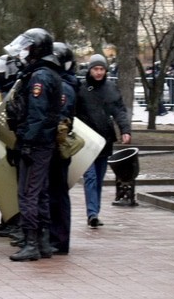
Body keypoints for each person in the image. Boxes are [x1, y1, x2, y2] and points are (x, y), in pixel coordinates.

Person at [4, 28, 62, 261]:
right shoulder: (46, 73)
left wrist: (26, 141)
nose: (24, 52)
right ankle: (43, 241)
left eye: (28, 47)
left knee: (28, 194)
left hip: (36, 144)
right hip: (43, 144)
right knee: (40, 193)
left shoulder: (40, 76)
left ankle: (31, 244)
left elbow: (36, 115)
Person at [76, 54, 131, 228]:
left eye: (101, 69)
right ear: (90, 70)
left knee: (99, 177)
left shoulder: (111, 88)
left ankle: (95, 212)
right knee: (90, 176)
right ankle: (91, 213)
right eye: (95, 69)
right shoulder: (82, 89)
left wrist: (125, 130)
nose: (99, 72)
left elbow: (119, 111)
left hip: (105, 139)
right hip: (86, 141)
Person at [48, 42, 80, 254]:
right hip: (53, 145)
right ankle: (53, 236)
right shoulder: (61, 83)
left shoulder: (64, 87)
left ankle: (59, 240)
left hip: (57, 146)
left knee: (57, 194)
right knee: (52, 193)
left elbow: (61, 118)